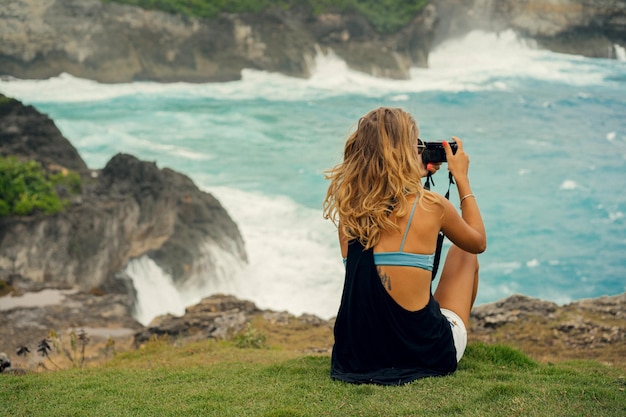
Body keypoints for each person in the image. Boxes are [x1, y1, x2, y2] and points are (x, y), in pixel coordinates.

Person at [322, 107, 486, 385]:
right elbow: (477, 241)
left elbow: (388, 207)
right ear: (405, 153)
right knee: (464, 254)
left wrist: (410, 177)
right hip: (426, 355)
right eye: (416, 144)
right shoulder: (431, 205)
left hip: (356, 359)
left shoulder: (349, 213)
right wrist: (461, 178)